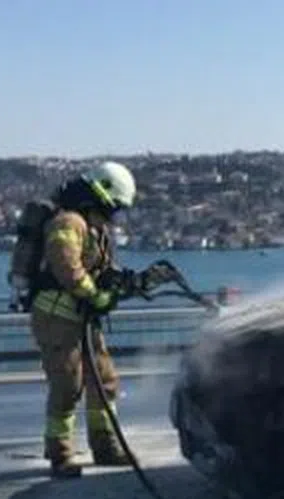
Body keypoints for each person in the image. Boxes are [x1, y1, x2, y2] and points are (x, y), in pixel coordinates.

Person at [30, 161, 176, 478]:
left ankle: (106, 446)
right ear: (101, 196)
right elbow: (66, 267)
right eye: (114, 207)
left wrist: (123, 284)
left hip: (82, 316)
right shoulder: (69, 222)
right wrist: (95, 295)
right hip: (57, 316)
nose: (115, 214)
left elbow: (99, 268)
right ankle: (60, 454)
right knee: (68, 385)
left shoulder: (94, 227)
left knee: (105, 381)